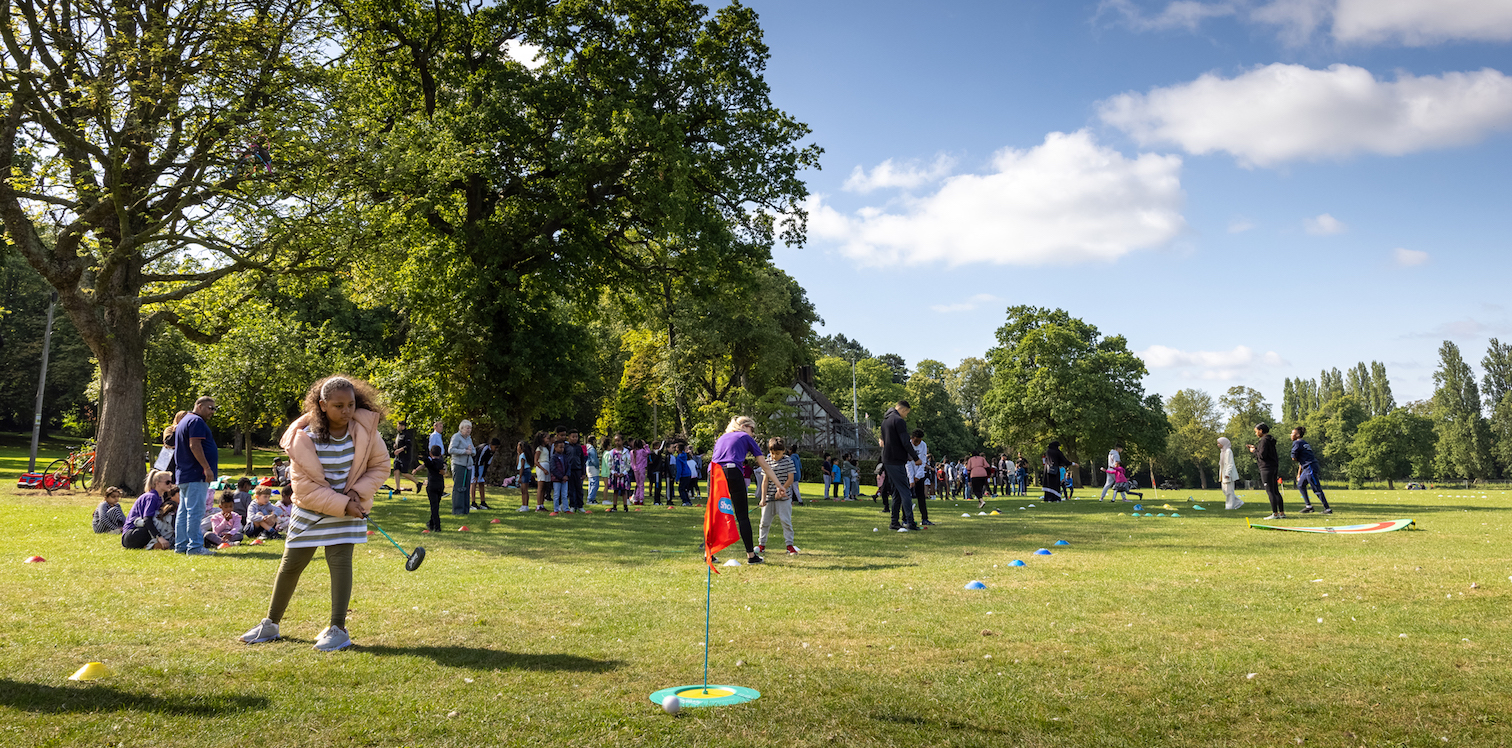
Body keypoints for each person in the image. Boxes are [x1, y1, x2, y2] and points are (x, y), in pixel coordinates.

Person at [240, 375, 390, 652]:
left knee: (340, 564)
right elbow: (305, 490)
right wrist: (343, 503)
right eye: (338, 406)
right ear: (322, 405)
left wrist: (356, 494)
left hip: (349, 509)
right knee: (290, 565)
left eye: (351, 404)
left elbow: (380, 466)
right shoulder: (302, 439)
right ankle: (271, 623)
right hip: (311, 511)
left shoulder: (366, 431)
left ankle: (338, 628)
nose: (346, 411)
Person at [712, 416, 782, 563]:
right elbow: (764, 464)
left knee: (715, 514)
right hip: (732, 472)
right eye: (752, 429)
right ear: (743, 426)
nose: (753, 433)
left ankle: (709, 553)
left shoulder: (722, 438)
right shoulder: (745, 436)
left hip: (714, 474)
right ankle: (751, 556)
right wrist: (779, 485)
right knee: (742, 515)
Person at [173, 396, 219, 555]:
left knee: (184, 511)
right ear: (199, 406)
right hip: (195, 474)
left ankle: (181, 545)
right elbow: (194, 445)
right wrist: (206, 468)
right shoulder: (196, 421)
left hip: (185, 474)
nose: (212, 412)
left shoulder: (184, 421)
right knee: (195, 511)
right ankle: (195, 547)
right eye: (210, 408)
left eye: (214, 408)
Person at [879, 400, 922, 532]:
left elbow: (883, 442)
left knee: (897, 492)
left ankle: (894, 522)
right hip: (896, 461)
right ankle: (910, 522)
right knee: (905, 491)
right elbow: (905, 441)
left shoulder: (885, 422)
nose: (906, 416)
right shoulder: (899, 421)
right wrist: (915, 457)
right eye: (906, 413)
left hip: (888, 460)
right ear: (903, 410)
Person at [758, 437, 800, 556]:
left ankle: (789, 546)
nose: (774, 456)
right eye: (772, 453)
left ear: (784, 451)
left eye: (777, 453)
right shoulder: (767, 461)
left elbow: (790, 479)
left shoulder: (788, 461)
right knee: (764, 522)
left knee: (786, 521)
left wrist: (781, 490)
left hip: (784, 498)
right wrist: (763, 498)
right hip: (769, 499)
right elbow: (765, 481)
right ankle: (761, 545)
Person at [123, 472, 174, 549]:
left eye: (171, 482)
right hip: (132, 535)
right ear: (157, 483)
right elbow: (147, 520)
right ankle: (151, 545)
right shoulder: (151, 497)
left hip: (138, 532)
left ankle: (153, 544)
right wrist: (159, 537)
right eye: (167, 482)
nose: (170, 484)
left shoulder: (159, 497)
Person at [1290, 426, 1333, 514]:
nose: (1291, 435)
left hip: (1310, 467)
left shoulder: (1297, 443)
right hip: (1307, 467)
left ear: (1297, 435)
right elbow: (1303, 460)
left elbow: (1293, 457)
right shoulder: (1304, 443)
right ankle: (1308, 506)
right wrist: (1299, 474)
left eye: (1292, 433)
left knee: (1316, 488)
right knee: (1301, 485)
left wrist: (1294, 458)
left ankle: (1327, 509)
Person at [1249, 423, 1285, 520]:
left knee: (1270, 491)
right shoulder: (1270, 440)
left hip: (1266, 468)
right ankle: (1281, 513)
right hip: (1273, 467)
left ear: (1261, 430)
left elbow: (1262, 455)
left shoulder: (1264, 441)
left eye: (1256, 431)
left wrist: (1254, 451)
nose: (1256, 434)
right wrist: (1256, 449)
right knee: (1276, 491)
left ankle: (1275, 513)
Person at [417, 445, 447, 531]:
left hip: (432, 485)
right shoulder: (441, 462)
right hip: (440, 485)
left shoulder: (430, 463)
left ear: (431, 453)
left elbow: (425, 461)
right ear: (440, 453)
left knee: (434, 507)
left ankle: (437, 526)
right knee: (436, 505)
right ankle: (431, 523)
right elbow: (444, 469)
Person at [449, 420, 475, 516]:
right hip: (459, 464)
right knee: (459, 487)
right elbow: (451, 449)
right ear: (462, 428)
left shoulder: (469, 438)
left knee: (466, 487)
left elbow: (473, 450)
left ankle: (465, 509)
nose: (469, 430)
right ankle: (457, 510)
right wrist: (464, 451)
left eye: (470, 428)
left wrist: (471, 451)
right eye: (467, 428)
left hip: (468, 465)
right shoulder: (456, 437)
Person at [907, 429, 932, 525]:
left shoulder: (923, 445)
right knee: (907, 497)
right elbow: (908, 463)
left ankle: (925, 519)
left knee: (921, 497)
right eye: (916, 441)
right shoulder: (907, 445)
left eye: (919, 441)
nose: (917, 443)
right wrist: (911, 478)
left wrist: (918, 476)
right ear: (912, 438)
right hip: (909, 474)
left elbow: (923, 462)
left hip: (919, 475)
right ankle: (906, 518)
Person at [389, 420, 421, 493]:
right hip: (398, 456)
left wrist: (399, 450)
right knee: (396, 471)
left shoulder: (407, 434)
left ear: (402, 426)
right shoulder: (398, 435)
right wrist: (395, 446)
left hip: (405, 456)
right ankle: (397, 489)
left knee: (404, 473)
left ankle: (418, 483)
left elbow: (408, 446)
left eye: (398, 426)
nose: (397, 427)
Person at [607, 435, 631, 512]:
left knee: (624, 490)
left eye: (619, 440)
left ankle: (625, 506)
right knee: (615, 490)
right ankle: (614, 506)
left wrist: (624, 472)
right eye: (616, 441)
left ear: (622, 441)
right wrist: (613, 472)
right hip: (615, 474)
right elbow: (609, 463)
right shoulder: (612, 452)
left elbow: (628, 463)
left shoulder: (626, 452)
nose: (617, 442)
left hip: (623, 474)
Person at [1218, 437, 1244, 510]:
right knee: (1225, 490)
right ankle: (1238, 502)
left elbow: (1230, 463)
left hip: (1228, 474)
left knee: (1229, 491)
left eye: (1219, 443)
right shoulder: (1222, 452)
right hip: (1223, 473)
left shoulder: (1228, 451)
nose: (1218, 444)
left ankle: (1229, 506)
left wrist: (1227, 473)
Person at [472, 437, 495, 510]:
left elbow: (488, 463)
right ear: (491, 445)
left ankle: (483, 502)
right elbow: (477, 460)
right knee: (474, 482)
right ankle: (473, 503)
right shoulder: (484, 448)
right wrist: (476, 474)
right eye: (496, 447)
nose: (496, 449)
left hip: (481, 465)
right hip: (474, 464)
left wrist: (483, 474)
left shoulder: (492, 452)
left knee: (481, 483)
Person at [565, 431, 586, 513]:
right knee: (571, 489)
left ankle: (580, 505)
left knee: (579, 489)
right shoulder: (566, 447)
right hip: (569, 470)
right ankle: (572, 505)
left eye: (576, 437)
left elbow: (582, 460)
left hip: (578, 470)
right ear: (569, 437)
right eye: (573, 437)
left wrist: (583, 472)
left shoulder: (579, 447)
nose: (575, 438)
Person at [549, 440, 571, 515]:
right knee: (556, 495)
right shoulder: (553, 458)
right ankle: (556, 509)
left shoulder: (565, 457)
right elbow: (553, 469)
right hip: (557, 479)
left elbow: (568, 466)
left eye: (563, 447)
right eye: (560, 447)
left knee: (565, 494)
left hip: (565, 479)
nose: (562, 449)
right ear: (555, 448)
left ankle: (566, 509)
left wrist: (567, 475)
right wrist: (561, 477)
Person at [534, 431, 553, 511]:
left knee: (545, 487)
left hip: (547, 466)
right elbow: (535, 461)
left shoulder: (546, 448)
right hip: (542, 467)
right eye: (547, 438)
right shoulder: (539, 449)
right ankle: (538, 505)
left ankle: (542, 504)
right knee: (540, 487)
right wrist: (543, 469)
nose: (548, 440)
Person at [516, 440, 535, 512]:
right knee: (522, 490)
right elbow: (518, 464)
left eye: (518, 446)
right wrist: (518, 454)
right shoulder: (521, 455)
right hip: (523, 471)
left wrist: (520, 477)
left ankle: (525, 506)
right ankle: (523, 505)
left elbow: (522, 466)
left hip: (525, 472)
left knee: (525, 490)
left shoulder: (523, 455)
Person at [631, 438, 649, 505]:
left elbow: (631, 462)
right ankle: (641, 499)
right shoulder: (642, 451)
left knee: (638, 484)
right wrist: (646, 445)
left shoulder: (632, 452)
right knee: (641, 485)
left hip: (635, 469)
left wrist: (634, 468)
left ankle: (636, 499)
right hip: (641, 469)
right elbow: (648, 452)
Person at [585, 435, 602, 507]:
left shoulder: (586, 447)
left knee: (591, 483)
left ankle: (590, 498)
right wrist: (597, 465)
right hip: (592, 467)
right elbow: (594, 459)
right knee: (595, 483)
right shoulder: (591, 448)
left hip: (588, 466)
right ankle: (590, 499)